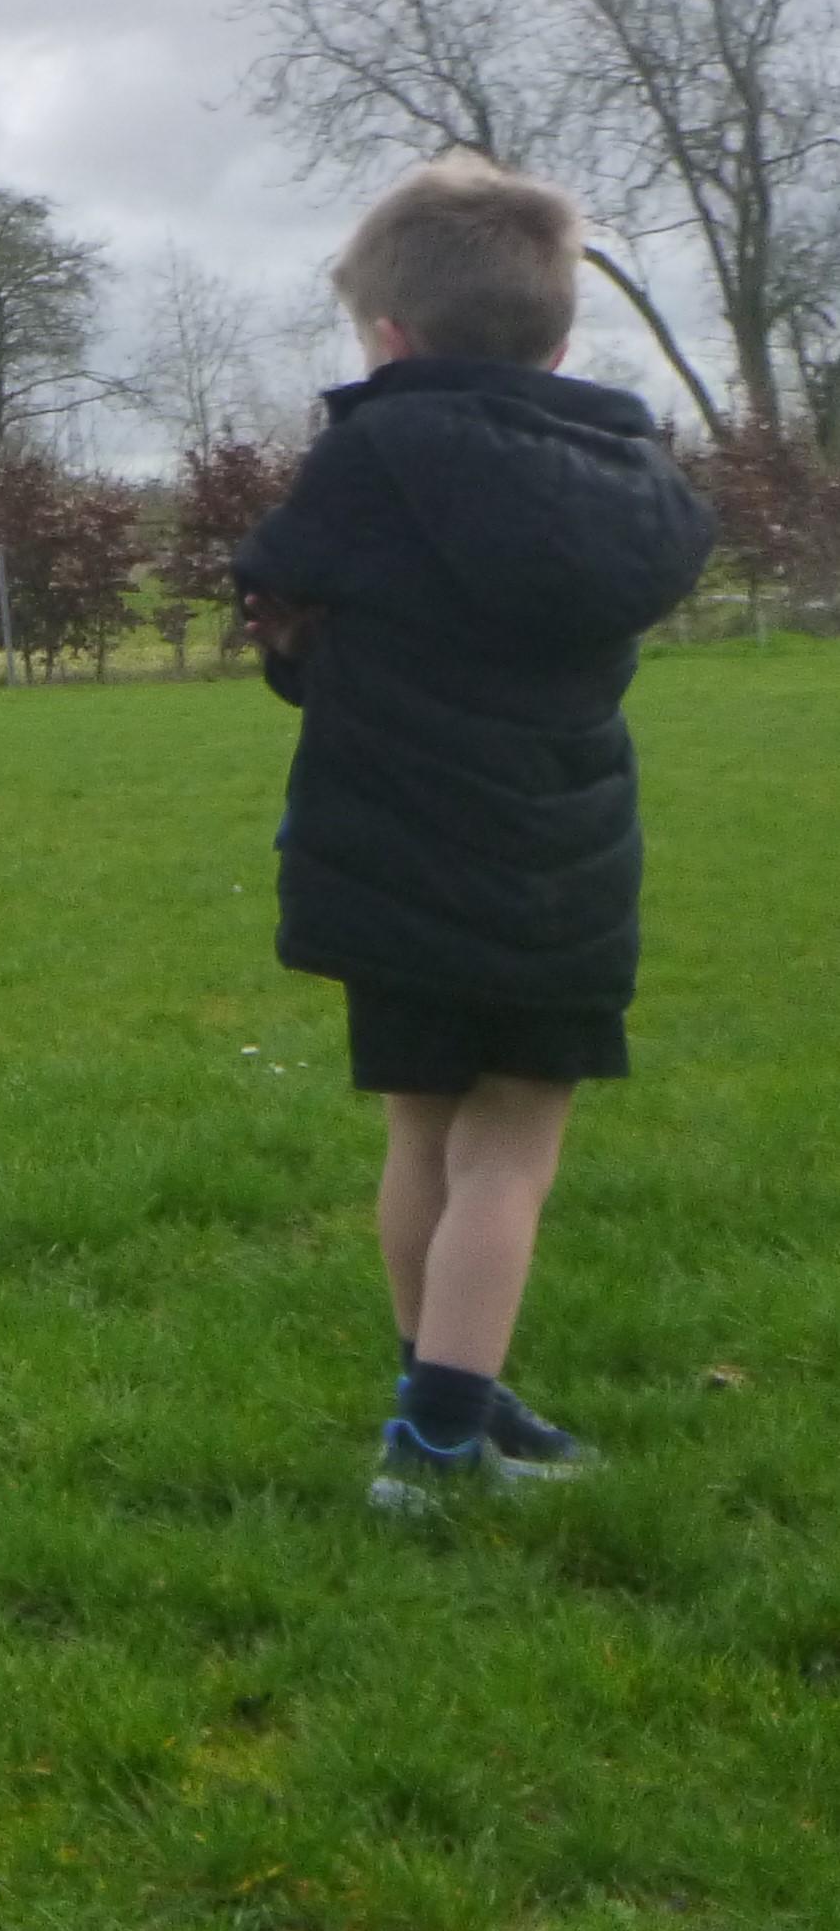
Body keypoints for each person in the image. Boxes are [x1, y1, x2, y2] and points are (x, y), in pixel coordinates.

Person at [234, 152, 714, 1511]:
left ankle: (443, 1400)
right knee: (507, 1146)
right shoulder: (629, 476)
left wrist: (305, 654)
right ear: (556, 342)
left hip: (388, 857)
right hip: (555, 865)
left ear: (389, 338)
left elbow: (279, 587)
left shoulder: (370, 456)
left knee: (424, 1133)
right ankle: (442, 1439)